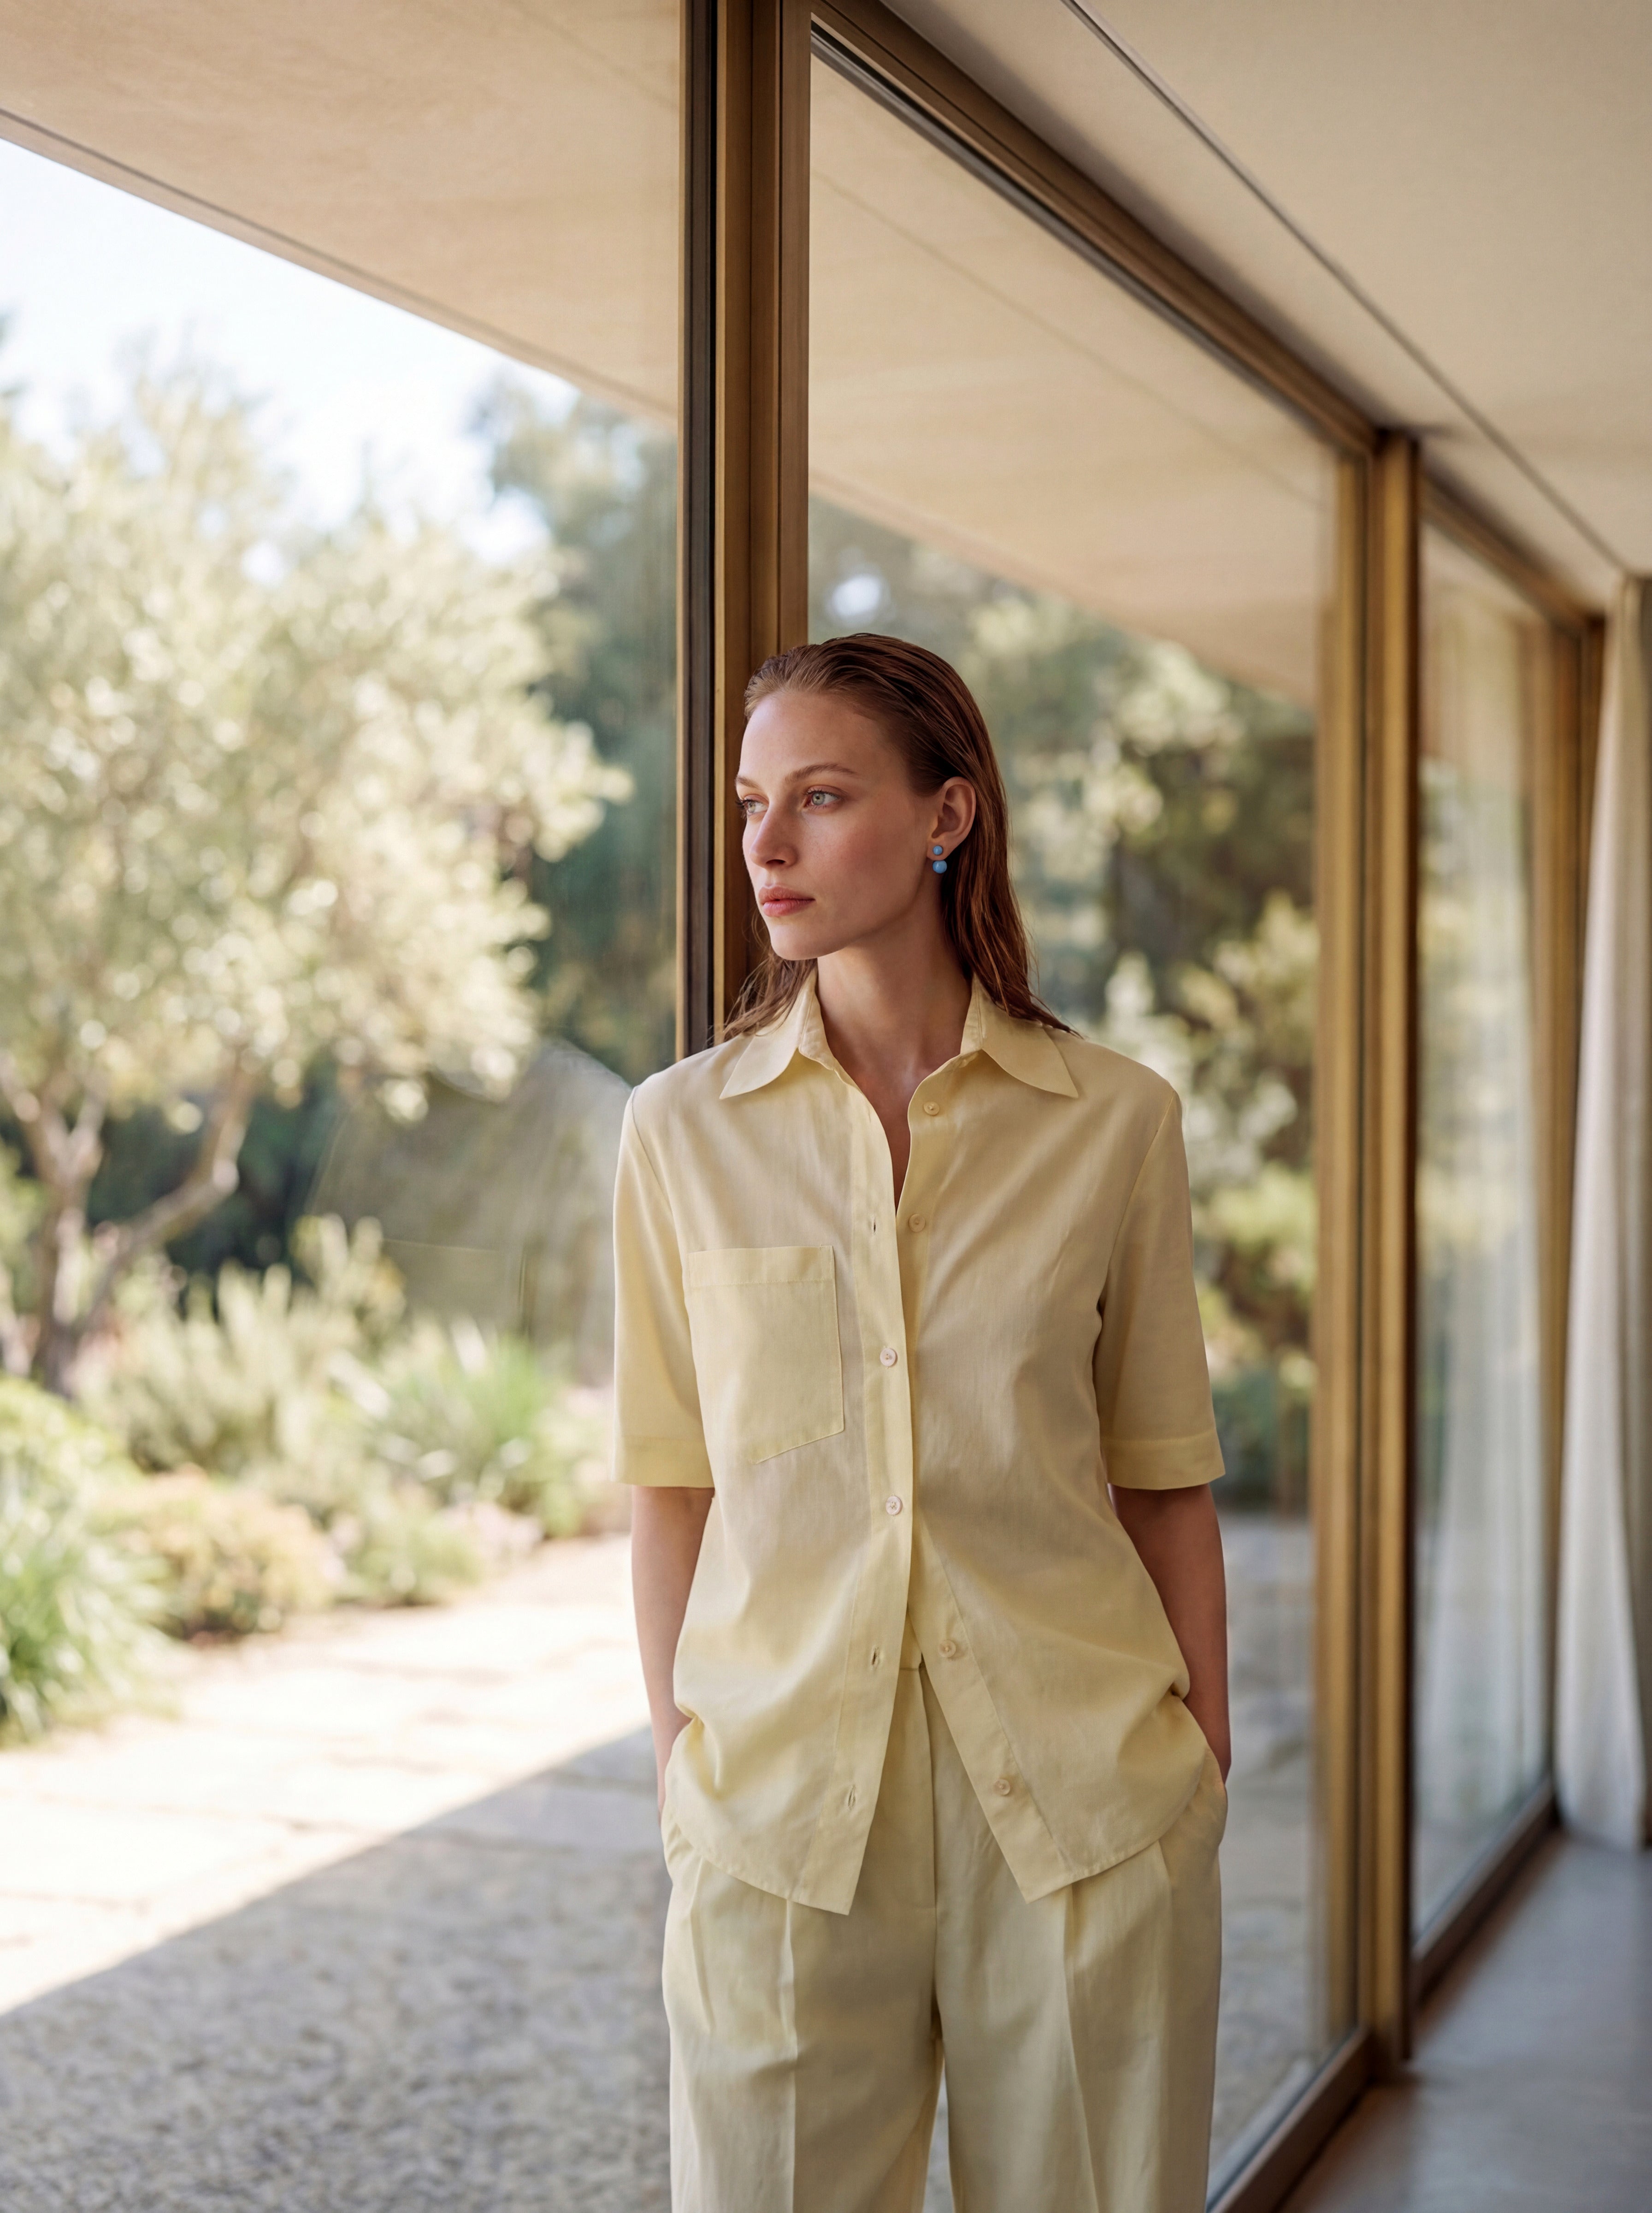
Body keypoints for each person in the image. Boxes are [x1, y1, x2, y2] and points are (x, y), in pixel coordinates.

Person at [616, 633, 1230, 2213]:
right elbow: (671, 1487)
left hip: (1087, 1809)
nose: (766, 844)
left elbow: (1164, 1482)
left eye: (821, 798)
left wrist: (1198, 1779)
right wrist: (686, 1776)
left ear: (948, 815)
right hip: (778, 1827)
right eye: (751, 802)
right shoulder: (679, 1136)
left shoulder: (1117, 1125)